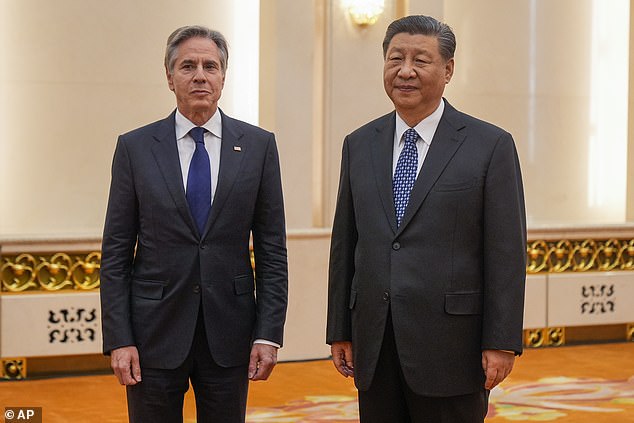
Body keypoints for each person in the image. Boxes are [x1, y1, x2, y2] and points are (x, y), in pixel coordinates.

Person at [327, 15, 526, 422]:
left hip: (453, 347)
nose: (405, 70)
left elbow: (506, 253)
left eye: (421, 60)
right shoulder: (359, 144)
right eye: (395, 58)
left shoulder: (490, 146)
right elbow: (345, 243)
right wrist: (340, 329)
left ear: (448, 69)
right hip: (376, 342)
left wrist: (502, 340)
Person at [100, 25, 288, 423]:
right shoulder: (135, 148)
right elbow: (115, 254)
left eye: (210, 66)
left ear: (223, 76)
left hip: (230, 335)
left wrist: (268, 333)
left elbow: (272, 251)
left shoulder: (258, 146)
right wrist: (120, 340)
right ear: (170, 77)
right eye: (188, 66)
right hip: (152, 336)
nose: (200, 75)